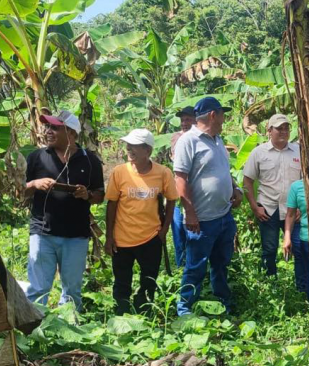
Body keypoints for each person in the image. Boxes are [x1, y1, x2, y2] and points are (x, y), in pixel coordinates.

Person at [24, 110, 104, 310]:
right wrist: (35, 183)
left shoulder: (90, 161)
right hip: (43, 233)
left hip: (76, 235)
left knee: (72, 289)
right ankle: (33, 330)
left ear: (71, 133)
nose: (48, 131)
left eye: (55, 128)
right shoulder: (37, 157)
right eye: (48, 127)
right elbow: (20, 191)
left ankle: (69, 331)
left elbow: (99, 195)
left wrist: (86, 195)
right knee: (38, 287)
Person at [173, 97, 243, 315]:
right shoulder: (189, 140)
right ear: (213, 115)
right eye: (222, 114)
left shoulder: (217, 140)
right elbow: (180, 179)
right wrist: (190, 213)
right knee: (195, 267)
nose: (224, 119)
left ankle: (222, 302)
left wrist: (235, 189)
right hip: (201, 220)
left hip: (223, 215)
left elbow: (223, 171)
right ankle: (185, 308)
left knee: (221, 264)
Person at [104, 129, 178, 315]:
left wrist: (164, 230)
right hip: (122, 239)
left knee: (149, 279)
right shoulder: (119, 173)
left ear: (148, 151)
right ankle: (121, 313)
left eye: (134, 146)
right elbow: (111, 205)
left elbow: (171, 200)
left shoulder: (163, 173)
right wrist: (109, 237)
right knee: (122, 281)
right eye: (128, 145)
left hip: (151, 237)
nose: (129, 149)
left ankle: (144, 310)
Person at [243, 114, 303, 282]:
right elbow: (247, 182)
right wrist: (255, 207)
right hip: (268, 209)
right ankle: (270, 282)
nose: (283, 132)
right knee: (269, 249)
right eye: (279, 128)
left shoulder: (298, 150)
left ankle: (301, 285)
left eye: (286, 128)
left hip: (294, 210)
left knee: (299, 247)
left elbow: (307, 180)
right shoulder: (259, 152)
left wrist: (303, 207)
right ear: (269, 131)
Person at [170, 106, 196, 267]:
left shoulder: (207, 138)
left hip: (197, 194)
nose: (184, 123)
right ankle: (181, 267)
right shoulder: (177, 138)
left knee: (193, 233)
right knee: (179, 231)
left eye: (188, 119)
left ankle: (193, 266)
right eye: (182, 120)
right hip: (180, 191)